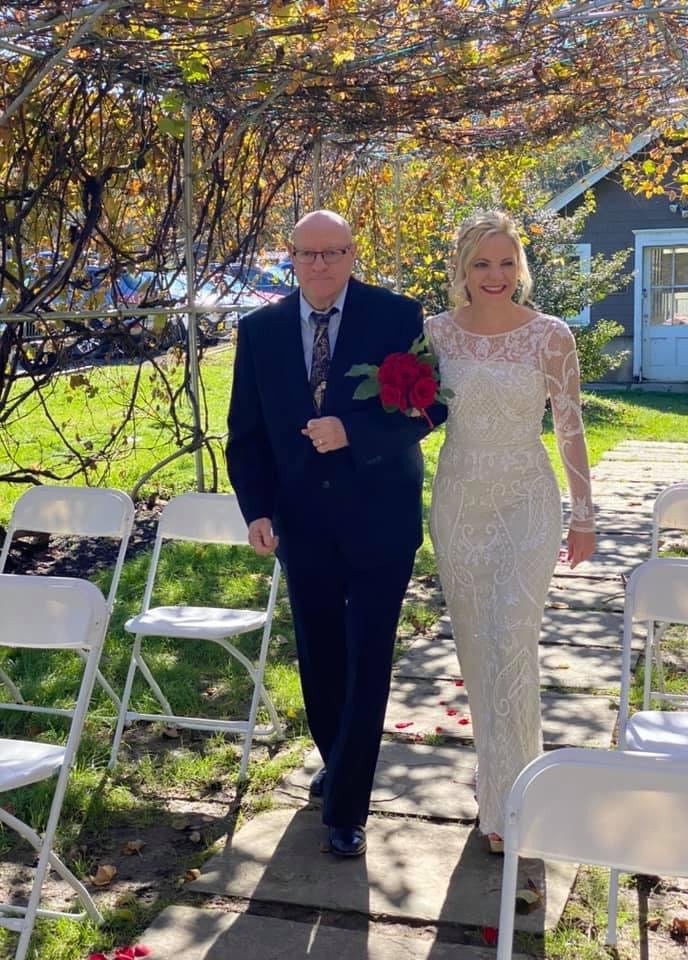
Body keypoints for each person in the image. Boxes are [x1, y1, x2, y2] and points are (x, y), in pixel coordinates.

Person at [226, 210, 448, 857]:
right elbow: (246, 435)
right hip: (302, 521)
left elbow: (428, 408)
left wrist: (355, 433)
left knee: (369, 652)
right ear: (290, 258)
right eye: (307, 253)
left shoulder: (398, 317)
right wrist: (257, 510)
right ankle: (339, 758)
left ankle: (347, 807)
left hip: (381, 516)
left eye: (333, 252)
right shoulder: (260, 331)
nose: (320, 264)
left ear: (353, 254)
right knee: (319, 655)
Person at [426, 210, 595, 853]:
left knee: (515, 642)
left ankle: (515, 802)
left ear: (519, 267)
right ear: (462, 270)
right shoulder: (434, 335)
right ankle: (496, 782)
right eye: (481, 264)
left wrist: (585, 515)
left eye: (505, 263)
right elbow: (408, 414)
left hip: (528, 500)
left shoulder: (550, 336)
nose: (494, 276)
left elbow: (571, 426)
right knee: (477, 649)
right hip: (460, 504)